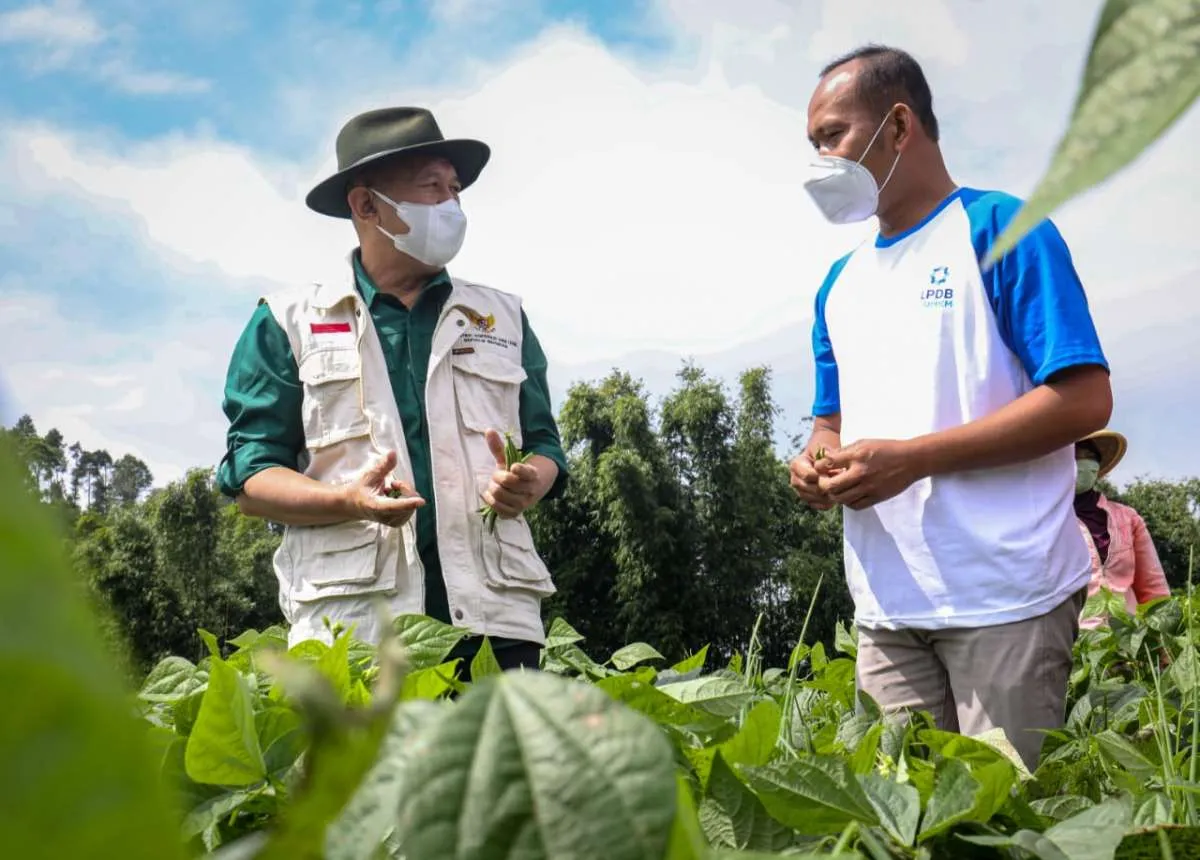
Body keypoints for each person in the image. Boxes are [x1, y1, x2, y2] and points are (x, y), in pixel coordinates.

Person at [788, 44, 1112, 771]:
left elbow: (1084, 398)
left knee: (1008, 817)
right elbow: (829, 422)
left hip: (1007, 596)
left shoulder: (1002, 230)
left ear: (899, 126)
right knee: (904, 816)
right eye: (813, 145)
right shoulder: (839, 284)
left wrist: (915, 459)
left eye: (833, 136)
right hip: (886, 609)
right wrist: (813, 464)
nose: (821, 161)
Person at [216, 106, 569, 676]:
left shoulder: (501, 318)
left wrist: (530, 481)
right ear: (366, 205)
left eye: (455, 190)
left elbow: (545, 445)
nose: (452, 205)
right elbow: (252, 478)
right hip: (355, 628)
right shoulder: (288, 322)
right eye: (432, 187)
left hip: (496, 627)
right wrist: (347, 501)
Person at [1074, 429, 1170, 628]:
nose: (1084, 462)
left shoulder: (1127, 518)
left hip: (1128, 635)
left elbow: (1153, 587)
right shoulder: (1050, 519)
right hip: (1074, 638)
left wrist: (1163, 634)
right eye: (1076, 455)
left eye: (1090, 456)